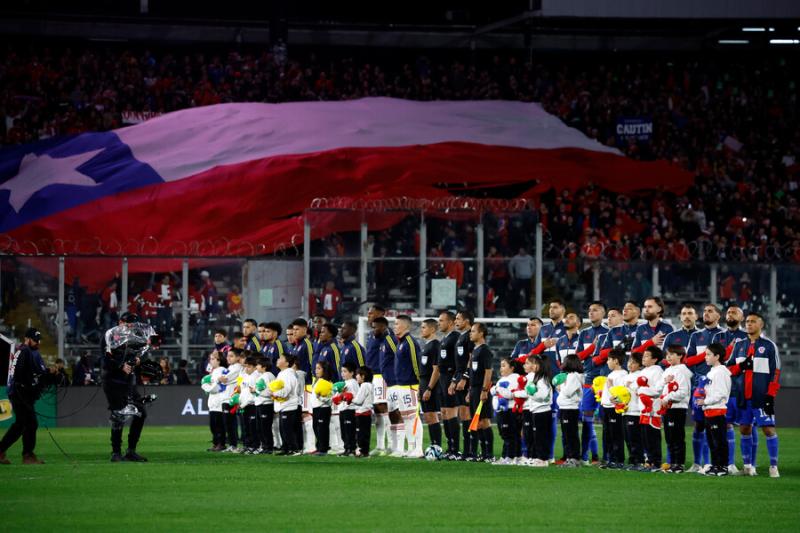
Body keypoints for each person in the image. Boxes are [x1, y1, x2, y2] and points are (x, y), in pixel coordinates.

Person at [727, 312, 781, 478]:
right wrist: (741, 366)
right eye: (747, 322)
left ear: (761, 325)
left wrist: (770, 395)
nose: (749, 324)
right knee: (744, 428)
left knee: (768, 429)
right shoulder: (739, 345)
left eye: (753, 322)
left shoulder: (769, 346)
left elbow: (776, 372)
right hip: (743, 395)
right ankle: (748, 467)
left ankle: (774, 467)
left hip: (761, 396)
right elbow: (728, 369)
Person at [101, 312, 151, 462]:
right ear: (120, 322)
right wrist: (121, 366)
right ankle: (116, 452)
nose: (131, 326)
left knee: (141, 412)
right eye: (128, 323)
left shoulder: (135, 338)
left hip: (128, 382)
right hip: (112, 381)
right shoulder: (109, 336)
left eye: (133, 324)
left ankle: (131, 450)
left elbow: (141, 355)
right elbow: (105, 360)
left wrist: (137, 360)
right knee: (119, 415)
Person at [0, 328, 51, 465]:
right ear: (27, 339)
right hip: (20, 393)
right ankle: (27, 455)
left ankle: (11, 452)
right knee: (27, 423)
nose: (37, 342)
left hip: (19, 392)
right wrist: (30, 387)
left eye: (38, 340)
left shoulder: (25, 351)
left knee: (23, 424)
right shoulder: (25, 351)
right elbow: (19, 374)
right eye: (35, 340)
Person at [683, 304, 722, 472]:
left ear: (718, 316)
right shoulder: (696, 336)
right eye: (705, 311)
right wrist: (707, 353)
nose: (706, 313)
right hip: (699, 386)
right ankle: (697, 463)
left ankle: (715, 462)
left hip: (719, 386)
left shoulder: (724, 335)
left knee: (718, 425)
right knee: (699, 424)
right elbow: (687, 361)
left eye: (710, 311)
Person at [576, 302, 610, 464]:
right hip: (589, 380)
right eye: (589, 310)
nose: (591, 313)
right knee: (586, 418)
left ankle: (608, 457)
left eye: (595, 310)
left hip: (606, 381)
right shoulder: (584, 334)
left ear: (603, 314)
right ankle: (586, 456)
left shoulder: (609, 332)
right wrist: (593, 348)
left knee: (608, 419)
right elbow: (578, 358)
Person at [696, 343, 732, 476]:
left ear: (717, 356)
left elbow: (721, 393)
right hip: (709, 411)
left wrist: (704, 401)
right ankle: (716, 465)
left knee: (719, 441)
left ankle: (722, 467)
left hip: (717, 411)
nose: (705, 357)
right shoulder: (712, 372)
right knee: (712, 441)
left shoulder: (721, 372)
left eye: (708, 354)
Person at [660, 345, 692, 473]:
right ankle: (672, 462)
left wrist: (667, 398)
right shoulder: (668, 370)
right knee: (669, 436)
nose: (668, 357)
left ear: (680, 356)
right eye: (667, 354)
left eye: (672, 354)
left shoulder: (682, 371)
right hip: (667, 408)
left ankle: (679, 464)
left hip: (677, 407)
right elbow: (661, 387)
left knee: (677, 436)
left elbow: (683, 391)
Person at [467, 322, 494, 462]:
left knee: (484, 421)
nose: (470, 333)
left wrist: (484, 390)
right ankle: (481, 453)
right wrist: (469, 391)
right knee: (476, 421)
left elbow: (488, 372)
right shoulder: (475, 350)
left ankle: (488, 453)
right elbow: (473, 373)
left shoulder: (485, 350)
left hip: (481, 389)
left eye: (473, 331)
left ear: (481, 333)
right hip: (474, 389)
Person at [365, 305, 390, 455]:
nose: (368, 315)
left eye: (371, 313)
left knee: (384, 408)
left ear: (381, 314)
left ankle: (392, 444)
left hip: (382, 376)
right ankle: (381, 445)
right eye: (368, 313)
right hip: (372, 376)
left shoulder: (387, 335)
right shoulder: (371, 334)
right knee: (377, 410)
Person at [520, 354, 553, 467]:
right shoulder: (537, 378)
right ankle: (539, 458)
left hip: (542, 411)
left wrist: (531, 393)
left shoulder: (542, 379)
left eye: (532, 364)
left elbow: (543, 395)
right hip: (537, 410)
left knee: (541, 436)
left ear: (537, 366)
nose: (531, 366)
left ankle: (543, 459)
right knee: (537, 436)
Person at [437, 310, 462, 459]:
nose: (439, 323)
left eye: (442, 320)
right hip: (443, 379)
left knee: (452, 413)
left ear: (450, 322)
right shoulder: (445, 339)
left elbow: (459, 362)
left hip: (451, 378)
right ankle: (450, 446)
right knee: (445, 413)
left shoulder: (456, 339)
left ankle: (455, 449)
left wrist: (454, 379)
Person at [637, 345, 665, 472]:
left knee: (653, 436)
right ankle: (648, 461)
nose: (643, 357)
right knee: (644, 437)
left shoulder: (658, 371)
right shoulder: (643, 371)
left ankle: (656, 462)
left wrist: (642, 390)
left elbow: (658, 389)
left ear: (655, 359)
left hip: (653, 409)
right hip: (643, 409)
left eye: (647, 356)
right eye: (644, 355)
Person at [452, 310, 475, 459]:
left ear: (466, 321)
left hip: (468, 379)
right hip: (459, 377)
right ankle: (466, 449)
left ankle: (470, 450)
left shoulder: (470, 336)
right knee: (462, 413)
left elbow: (471, 358)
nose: (455, 321)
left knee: (467, 413)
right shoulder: (461, 337)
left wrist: (465, 378)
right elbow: (458, 363)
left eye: (458, 319)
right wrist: (454, 380)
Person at [491, 357, 523, 465]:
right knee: (507, 434)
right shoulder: (502, 379)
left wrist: (496, 389)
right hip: (502, 411)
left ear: (512, 368)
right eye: (501, 366)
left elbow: (510, 394)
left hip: (510, 410)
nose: (501, 368)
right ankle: (514, 456)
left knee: (510, 434)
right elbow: (495, 393)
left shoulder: (515, 379)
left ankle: (509, 456)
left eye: (504, 365)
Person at [599, 349, 628, 469]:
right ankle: (609, 459)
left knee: (616, 435)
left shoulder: (623, 374)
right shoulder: (611, 374)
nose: (607, 362)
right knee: (607, 435)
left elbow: (621, 394)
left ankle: (618, 460)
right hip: (606, 408)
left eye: (609, 359)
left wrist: (610, 389)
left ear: (616, 361)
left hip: (614, 409)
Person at [555, 354, 584, 467]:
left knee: (570, 435)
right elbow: (564, 393)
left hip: (570, 409)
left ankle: (574, 458)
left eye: (565, 361)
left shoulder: (573, 376)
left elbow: (567, 392)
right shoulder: (569, 376)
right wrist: (561, 387)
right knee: (567, 435)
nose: (563, 363)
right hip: (565, 408)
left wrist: (560, 386)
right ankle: (569, 458)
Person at [418, 318, 442, 450]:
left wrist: (429, 388)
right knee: (428, 416)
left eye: (424, 327)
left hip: (429, 384)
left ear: (432, 329)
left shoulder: (435, 345)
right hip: (423, 383)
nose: (421, 330)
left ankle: (437, 445)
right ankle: (434, 444)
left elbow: (436, 369)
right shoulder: (427, 345)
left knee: (432, 415)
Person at [272, 352, 301, 456]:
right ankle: (286, 448)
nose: (278, 359)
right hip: (283, 405)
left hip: (289, 405)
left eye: (280, 358)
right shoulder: (281, 373)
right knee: (283, 428)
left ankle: (294, 449)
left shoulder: (288, 374)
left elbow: (286, 390)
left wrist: (274, 393)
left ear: (287, 363)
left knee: (287, 429)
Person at [622, 352, 646, 470]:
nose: (630, 364)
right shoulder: (626, 376)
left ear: (640, 365)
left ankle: (639, 460)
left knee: (635, 438)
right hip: (626, 411)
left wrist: (632, 386)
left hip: (635, 411)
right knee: (628, 437)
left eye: (634, 362)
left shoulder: (640, 375)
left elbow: (642, 392)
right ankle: (632, 460)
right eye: (629, 361)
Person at [200, 350, 227, 452]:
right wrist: (208, 386)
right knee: (213, 425)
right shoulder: (213, 372)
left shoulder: (222, 370)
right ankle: (216, 443)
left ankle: (221, 444)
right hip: (213, 402)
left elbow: (216, 388)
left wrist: (205, 386)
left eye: (212, 359)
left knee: (219, 425)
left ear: (219, 360)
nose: (210, 361)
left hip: (219, 401)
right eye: (210, 359)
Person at [220, 348, 243, 452]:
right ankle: (232, 445)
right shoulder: (231, 367)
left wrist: (222, 379)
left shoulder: (237, 367)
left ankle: (234, 445)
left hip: (231, 398)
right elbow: (223, 380)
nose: (228, 358)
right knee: (227, 423)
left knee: (230, 422)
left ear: (238, 357)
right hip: (226, 397)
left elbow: (224, 379)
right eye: (228, 356)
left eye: (231, 356)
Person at [335, 361, 359, 456]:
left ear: (352, 373)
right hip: (343, 409)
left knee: (350, 431)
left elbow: (354, 397)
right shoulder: (343, 383)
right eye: (342, 371)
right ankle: (347, 448)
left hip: (350, 410)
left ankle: (352, 449)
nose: (343, 374)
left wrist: (344, 395)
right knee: (344, 432)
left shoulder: (353, 383)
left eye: (345, 371)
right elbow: (338, 398)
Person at [311, 361, 334, 456]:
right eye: (316, 368)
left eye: (319, 368)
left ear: (324, 370)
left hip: (323, 408)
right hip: (316, 408)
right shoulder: (317, 381)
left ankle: (323, 449)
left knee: (322, 429)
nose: (316, 370)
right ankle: (319, 447)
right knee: (316, 427)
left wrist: (319, 397)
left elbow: (330, 399)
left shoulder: (328, 383)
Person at [351, 366, 375, 458]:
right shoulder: (370, 385)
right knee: (365, 433)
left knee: (360, 433)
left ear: (363, 376)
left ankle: (361, 450)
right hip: (367, 413)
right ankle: (365, 451)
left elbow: (358, 401)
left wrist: (348, 398)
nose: (356, 376)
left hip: (362, 413)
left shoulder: (364, 385)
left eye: (357, 374)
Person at [253, 357, 276, 454]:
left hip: (266, 404)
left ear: (264, 367)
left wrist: (256, 391)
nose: (256, 366)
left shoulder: (267, 376)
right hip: (260, 404)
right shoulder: (263, 375)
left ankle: (268, 447)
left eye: (258, 364)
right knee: (260, 427)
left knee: (265, 427)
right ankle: (264, 446)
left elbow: (269, 392)